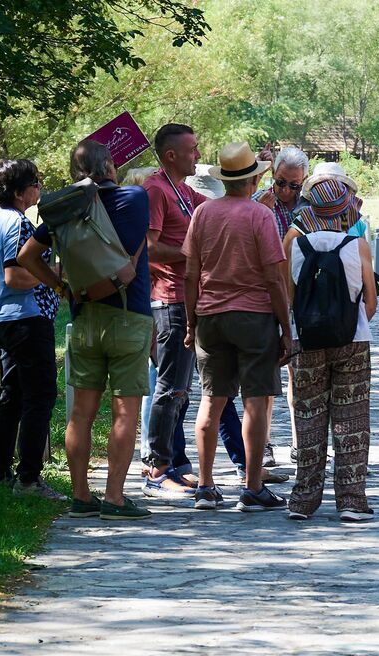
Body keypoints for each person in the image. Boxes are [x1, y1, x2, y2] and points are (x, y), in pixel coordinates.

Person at [16, 140, 152, 520]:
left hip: (83, 316)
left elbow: (27, 256)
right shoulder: (134, 198)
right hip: (129, 316)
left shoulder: (64, 208)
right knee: (125, 412)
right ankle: (115, 498)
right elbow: (137, 246)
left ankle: (81, 497)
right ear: (109, 165)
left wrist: (60, 286)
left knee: (81, 415)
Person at [141, 124, 251, 499]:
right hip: (169, 297)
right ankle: (157, 468)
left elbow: (215, 213)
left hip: (190, 297)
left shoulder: (182, 191)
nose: (198, 154)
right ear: (171, 155)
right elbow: (150, 248)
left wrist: (250, 199)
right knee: (169, 387)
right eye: (192, 149)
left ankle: (177, 463)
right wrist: (193, 256)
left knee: (182, 390)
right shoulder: (156, 190)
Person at [183, 141, 292, 512]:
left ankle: (206, 486)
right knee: (255, 404)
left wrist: (190, 320)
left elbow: (191, 273)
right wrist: (286, 328)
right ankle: (252, 485)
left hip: (210, 317)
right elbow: (274, 277)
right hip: (254, 317)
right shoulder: (260, 216)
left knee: (210, 402)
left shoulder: (203, 214)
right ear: (254, 178)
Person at [281, 178, 378, 521]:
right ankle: (351, 500)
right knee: (351, 421)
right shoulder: (357, 246)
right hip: (351, 342)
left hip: (306, 342)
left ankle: (303, 501)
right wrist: (349, 326)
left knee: (308, 417)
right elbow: (371, 300)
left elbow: (290, 299)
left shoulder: (296, 246)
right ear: (342, 212)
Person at [0, 158, 65, 501]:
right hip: (27, 317)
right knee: (40, 396)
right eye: (35, 183)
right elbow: (15, 276)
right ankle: (28, 478)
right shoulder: (18, 224)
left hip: (3, 317)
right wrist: (56, 272)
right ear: (19, 192)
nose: (39, 189)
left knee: (12, 396)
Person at [254, 146, 310, 467]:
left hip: (300, 299)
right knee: (266, 377)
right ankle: (265, 444)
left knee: (299, 375)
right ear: (272, 175)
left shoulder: (309, 207)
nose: (287, 191)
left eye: (294, 185)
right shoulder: (258, 203)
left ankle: (300, 442)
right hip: (266, 297)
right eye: (280, 183)